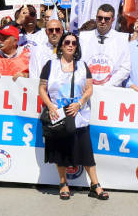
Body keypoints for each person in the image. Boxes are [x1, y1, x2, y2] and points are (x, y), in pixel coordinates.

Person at [38, 32, 105, 201]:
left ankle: (95, 184)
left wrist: (80, 103)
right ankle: (63, 183)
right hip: (58, 114)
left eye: (73, 43)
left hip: (78, 114)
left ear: (77, 47)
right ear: (61, 45)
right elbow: (41, 88)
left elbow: (89, 89)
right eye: (66, 42)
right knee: (61, 150)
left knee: (86, 151)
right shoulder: (50, 65)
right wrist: (51, 106)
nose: (70, 45)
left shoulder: (82, 66)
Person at [79, 4, 131, 88]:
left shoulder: (122, 39)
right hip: (85, 87)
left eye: (107, 19)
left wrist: (108, 85)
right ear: (96, 18)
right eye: (100, 18)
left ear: (113, 20)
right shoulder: (83, 37)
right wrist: (87, 83)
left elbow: (125, 68)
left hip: (110, 90)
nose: (102, 21)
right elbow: (78, 63)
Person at [29, 18, 65, 83]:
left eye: (57, 30)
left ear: (62, 31)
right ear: (46, 32)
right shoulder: (37, 50)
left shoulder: (68, 49)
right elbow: (33, 75)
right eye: (51, 30)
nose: (54, 33)